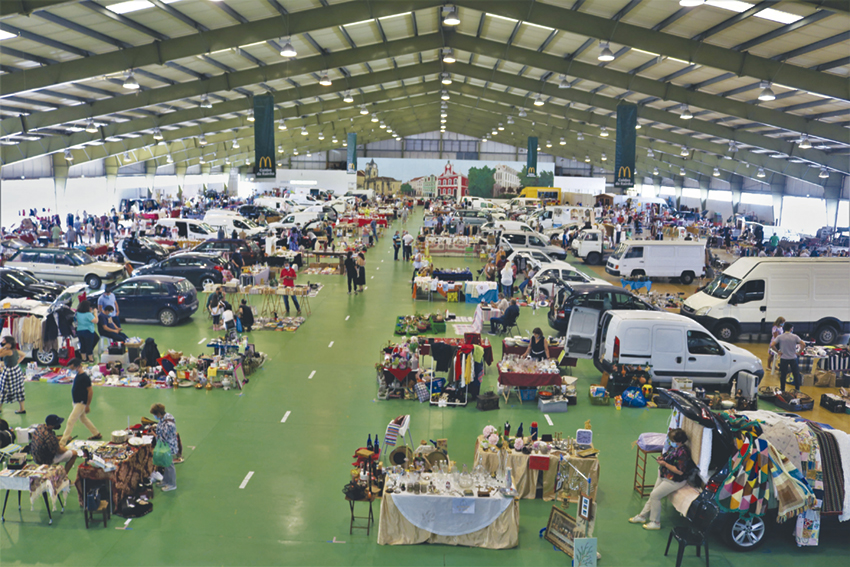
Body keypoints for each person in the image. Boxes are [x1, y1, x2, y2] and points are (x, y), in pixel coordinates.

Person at [629, 428, 691, 530]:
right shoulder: (672, 448)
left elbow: (680, 471)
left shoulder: (683, 453)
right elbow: (667, 457)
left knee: (655, 495)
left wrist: (665, 464)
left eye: (673, 441)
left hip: (675, 480)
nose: (671, 442)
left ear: (680, 442)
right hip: (664, 475)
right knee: (653, 494)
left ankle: (655, 522)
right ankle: (642, 516)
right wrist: (662, 459)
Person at [60, 358, 101, 444]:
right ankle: (96, 433)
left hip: (81, 403)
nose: (72, 370)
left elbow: (90, 391)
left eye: (72, 368)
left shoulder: (85, 377)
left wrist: (87, 405)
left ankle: (62, 442)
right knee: (83, 419)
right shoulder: (78, 375)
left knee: (70, 421)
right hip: (76, 402)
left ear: (77, 366)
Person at [150, 404, 179, 491]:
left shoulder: (168, 424)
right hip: (168, 445)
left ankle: (172, 484)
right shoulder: (166, 416)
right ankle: (166, 480)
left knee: (169, 465)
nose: (155, 417)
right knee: (166, 464)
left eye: (155, 415)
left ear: (158, 413)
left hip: (168, 447)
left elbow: (163, 438)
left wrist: (153, 434)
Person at [770, 322, 806, 391]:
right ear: (790, 329)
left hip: (784, 358)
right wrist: (799, 352)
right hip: (793, 358)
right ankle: (797, 389)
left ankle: (782, 389)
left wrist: (778, 351)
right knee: (796, 374)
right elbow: (803, 344)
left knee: (783, 375)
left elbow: (772, 345)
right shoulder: (795, 336)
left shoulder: (780, 337)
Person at [0, 337, 26, 414]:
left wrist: (3, 347)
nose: (2, 341)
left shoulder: (7, 351)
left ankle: (0, 408)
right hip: (16, 370)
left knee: (3, 390)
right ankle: (22, 409)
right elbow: (23, 355)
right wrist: (17, 362)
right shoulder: (15, 350)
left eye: (4, 340)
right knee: (19, 390)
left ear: (9, 343)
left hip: (9, 372)